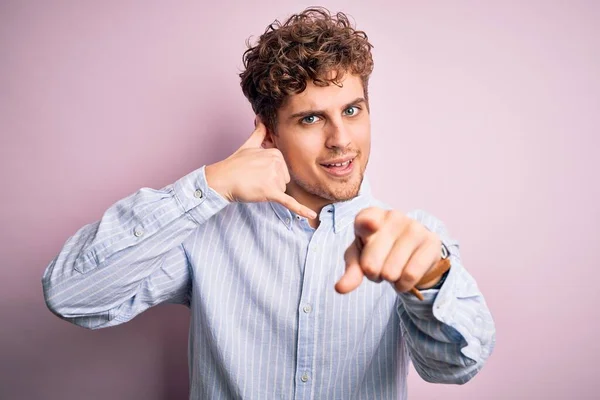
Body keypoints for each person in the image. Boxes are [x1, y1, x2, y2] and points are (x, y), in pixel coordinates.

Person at [42, 7, 495, 399]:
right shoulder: (204, 231)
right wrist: (209, 185)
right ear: (269, 132)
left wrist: (431, 278)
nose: (341, 140)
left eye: (352, 111)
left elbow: (456, 367)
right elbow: (71, 296)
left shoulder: (408, 240)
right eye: (312, 118)